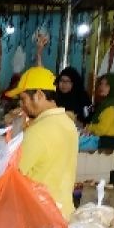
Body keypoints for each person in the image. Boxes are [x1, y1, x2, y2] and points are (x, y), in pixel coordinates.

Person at [6, 67, 78, 219]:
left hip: (39, 217)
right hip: (63, 212)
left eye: (23, 98)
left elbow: (12, 175)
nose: (22, 105)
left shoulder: (38, 131)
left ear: (38, 95)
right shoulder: (67, 123)